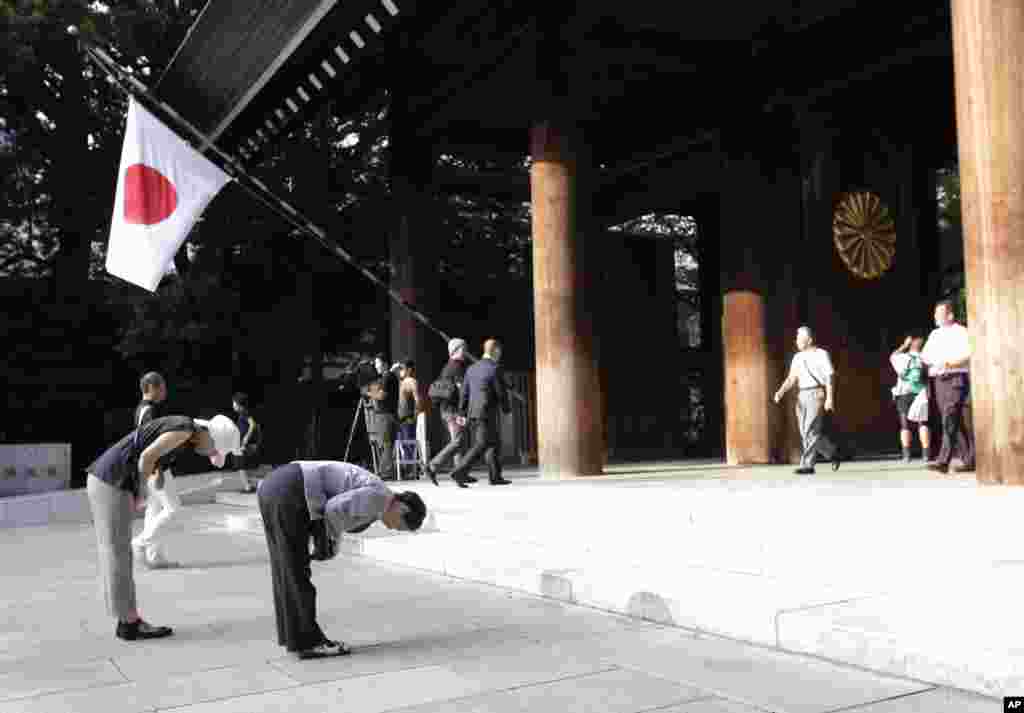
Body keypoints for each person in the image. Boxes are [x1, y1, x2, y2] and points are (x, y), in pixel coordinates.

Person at [86, 414, 241, 640]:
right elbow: (146, 457)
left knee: (115, 551)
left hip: (107, 479)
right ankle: (129, 623)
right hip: (112, 480)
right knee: (117, 552)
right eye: (215, 450)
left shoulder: (185, 435)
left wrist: (156, 475)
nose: (211, 455)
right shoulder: (185, 429)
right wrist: (141, 490)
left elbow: (153, 457)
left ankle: (126, 620)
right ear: (211, 437)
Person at [257, 461, 426, 658]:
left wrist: (329, 540)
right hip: (292, 489)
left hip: (275, 485)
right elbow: (333, 510)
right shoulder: (380, 498)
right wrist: (332, 544)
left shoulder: (378, 496)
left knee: (285, 570)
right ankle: (309, 643)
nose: (391, 528)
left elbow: (337, 516)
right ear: (403, 509)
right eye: (398, 526)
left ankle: (294, 638)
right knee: (297, 572)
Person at [129, 372, 182, 569]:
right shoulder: (147, 411)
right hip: (155, 467)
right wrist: (157, 469)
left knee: (154, 510)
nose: (165, 391)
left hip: (151, 467)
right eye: (162, 387)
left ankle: (155, 556)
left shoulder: (147, 410)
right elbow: (147, 443)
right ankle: (140, 542)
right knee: (173, 509)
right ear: (151, 388)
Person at [773, 326, 842, 475]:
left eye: (800, 338)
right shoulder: (797, 357)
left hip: (816, 393)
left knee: (810, 429)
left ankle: (807, 465)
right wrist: (781, 391)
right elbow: (792, 378)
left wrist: (829, 398)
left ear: (809, 340)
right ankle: (832, 452)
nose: (797, 341)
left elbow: (830, 377)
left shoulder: (821, 354)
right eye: (797, 338)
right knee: (807, 433)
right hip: (802, 395)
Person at [446, 339, 512, 487]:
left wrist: (462, 412)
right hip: (486, 411)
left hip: (473, 412)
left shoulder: (472, 368)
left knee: (493, 442)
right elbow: (500, 392)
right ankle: (459, 471)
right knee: (482, 444)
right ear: (495, 350)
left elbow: (464, 392)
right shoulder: (494, 368)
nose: (500, 354)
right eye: (499, 351)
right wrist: (507, 409)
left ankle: (495, 476)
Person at [920, 299, 975, 474]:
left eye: (939, 313)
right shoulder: (935, 335)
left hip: (956, 377)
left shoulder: (961, 332)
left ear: (950, 315)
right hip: (939, 379)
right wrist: (934, 361)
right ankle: (969, 459)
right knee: (955, 421)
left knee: (949, 418)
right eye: (935, 313)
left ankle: (944, 460)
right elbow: (925, 355)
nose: (936, 316)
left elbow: (969, 354)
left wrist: (950, 363)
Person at [425, 338, 475, 486]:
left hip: (446, 409)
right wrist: (462, 412)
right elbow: (462, 391)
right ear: (456, 350)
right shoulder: (456, 367)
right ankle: (433, 465)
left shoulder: (447, 367)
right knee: (458, 441)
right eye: (463, 348)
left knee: (459, 441)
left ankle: (460, 474)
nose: (465, 351)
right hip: (454, 410)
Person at [890, 335, 931, 463]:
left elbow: (892, 356)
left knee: (905, 425)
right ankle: (926, 454)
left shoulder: (902, 357)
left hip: (904, 393)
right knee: (923, 423)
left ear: (911, 345)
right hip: (920, 393)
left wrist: (904, 345)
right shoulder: (926, 358)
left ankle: (906, 454)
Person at [366, 354, 399, 479]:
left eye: (377, 363)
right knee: (385, 443)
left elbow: (381, 396)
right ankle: (385, 470)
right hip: (386, 416)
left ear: (384, 363)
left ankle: (386, 472)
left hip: (386, 417)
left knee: (386, 443)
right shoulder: (387, 377)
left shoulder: (387, 376)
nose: (376, 366)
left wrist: (369, 393)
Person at [233, 392, 263, 493]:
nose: (233, 406)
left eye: (234, 404)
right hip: (242, 444)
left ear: (241, 405)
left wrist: (246, 437)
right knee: (242, 465)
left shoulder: (245, 414)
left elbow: (253, 424)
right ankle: (249, 485)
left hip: (244, 444)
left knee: (240, 464)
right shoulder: (242, 414)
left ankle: (248, 486)